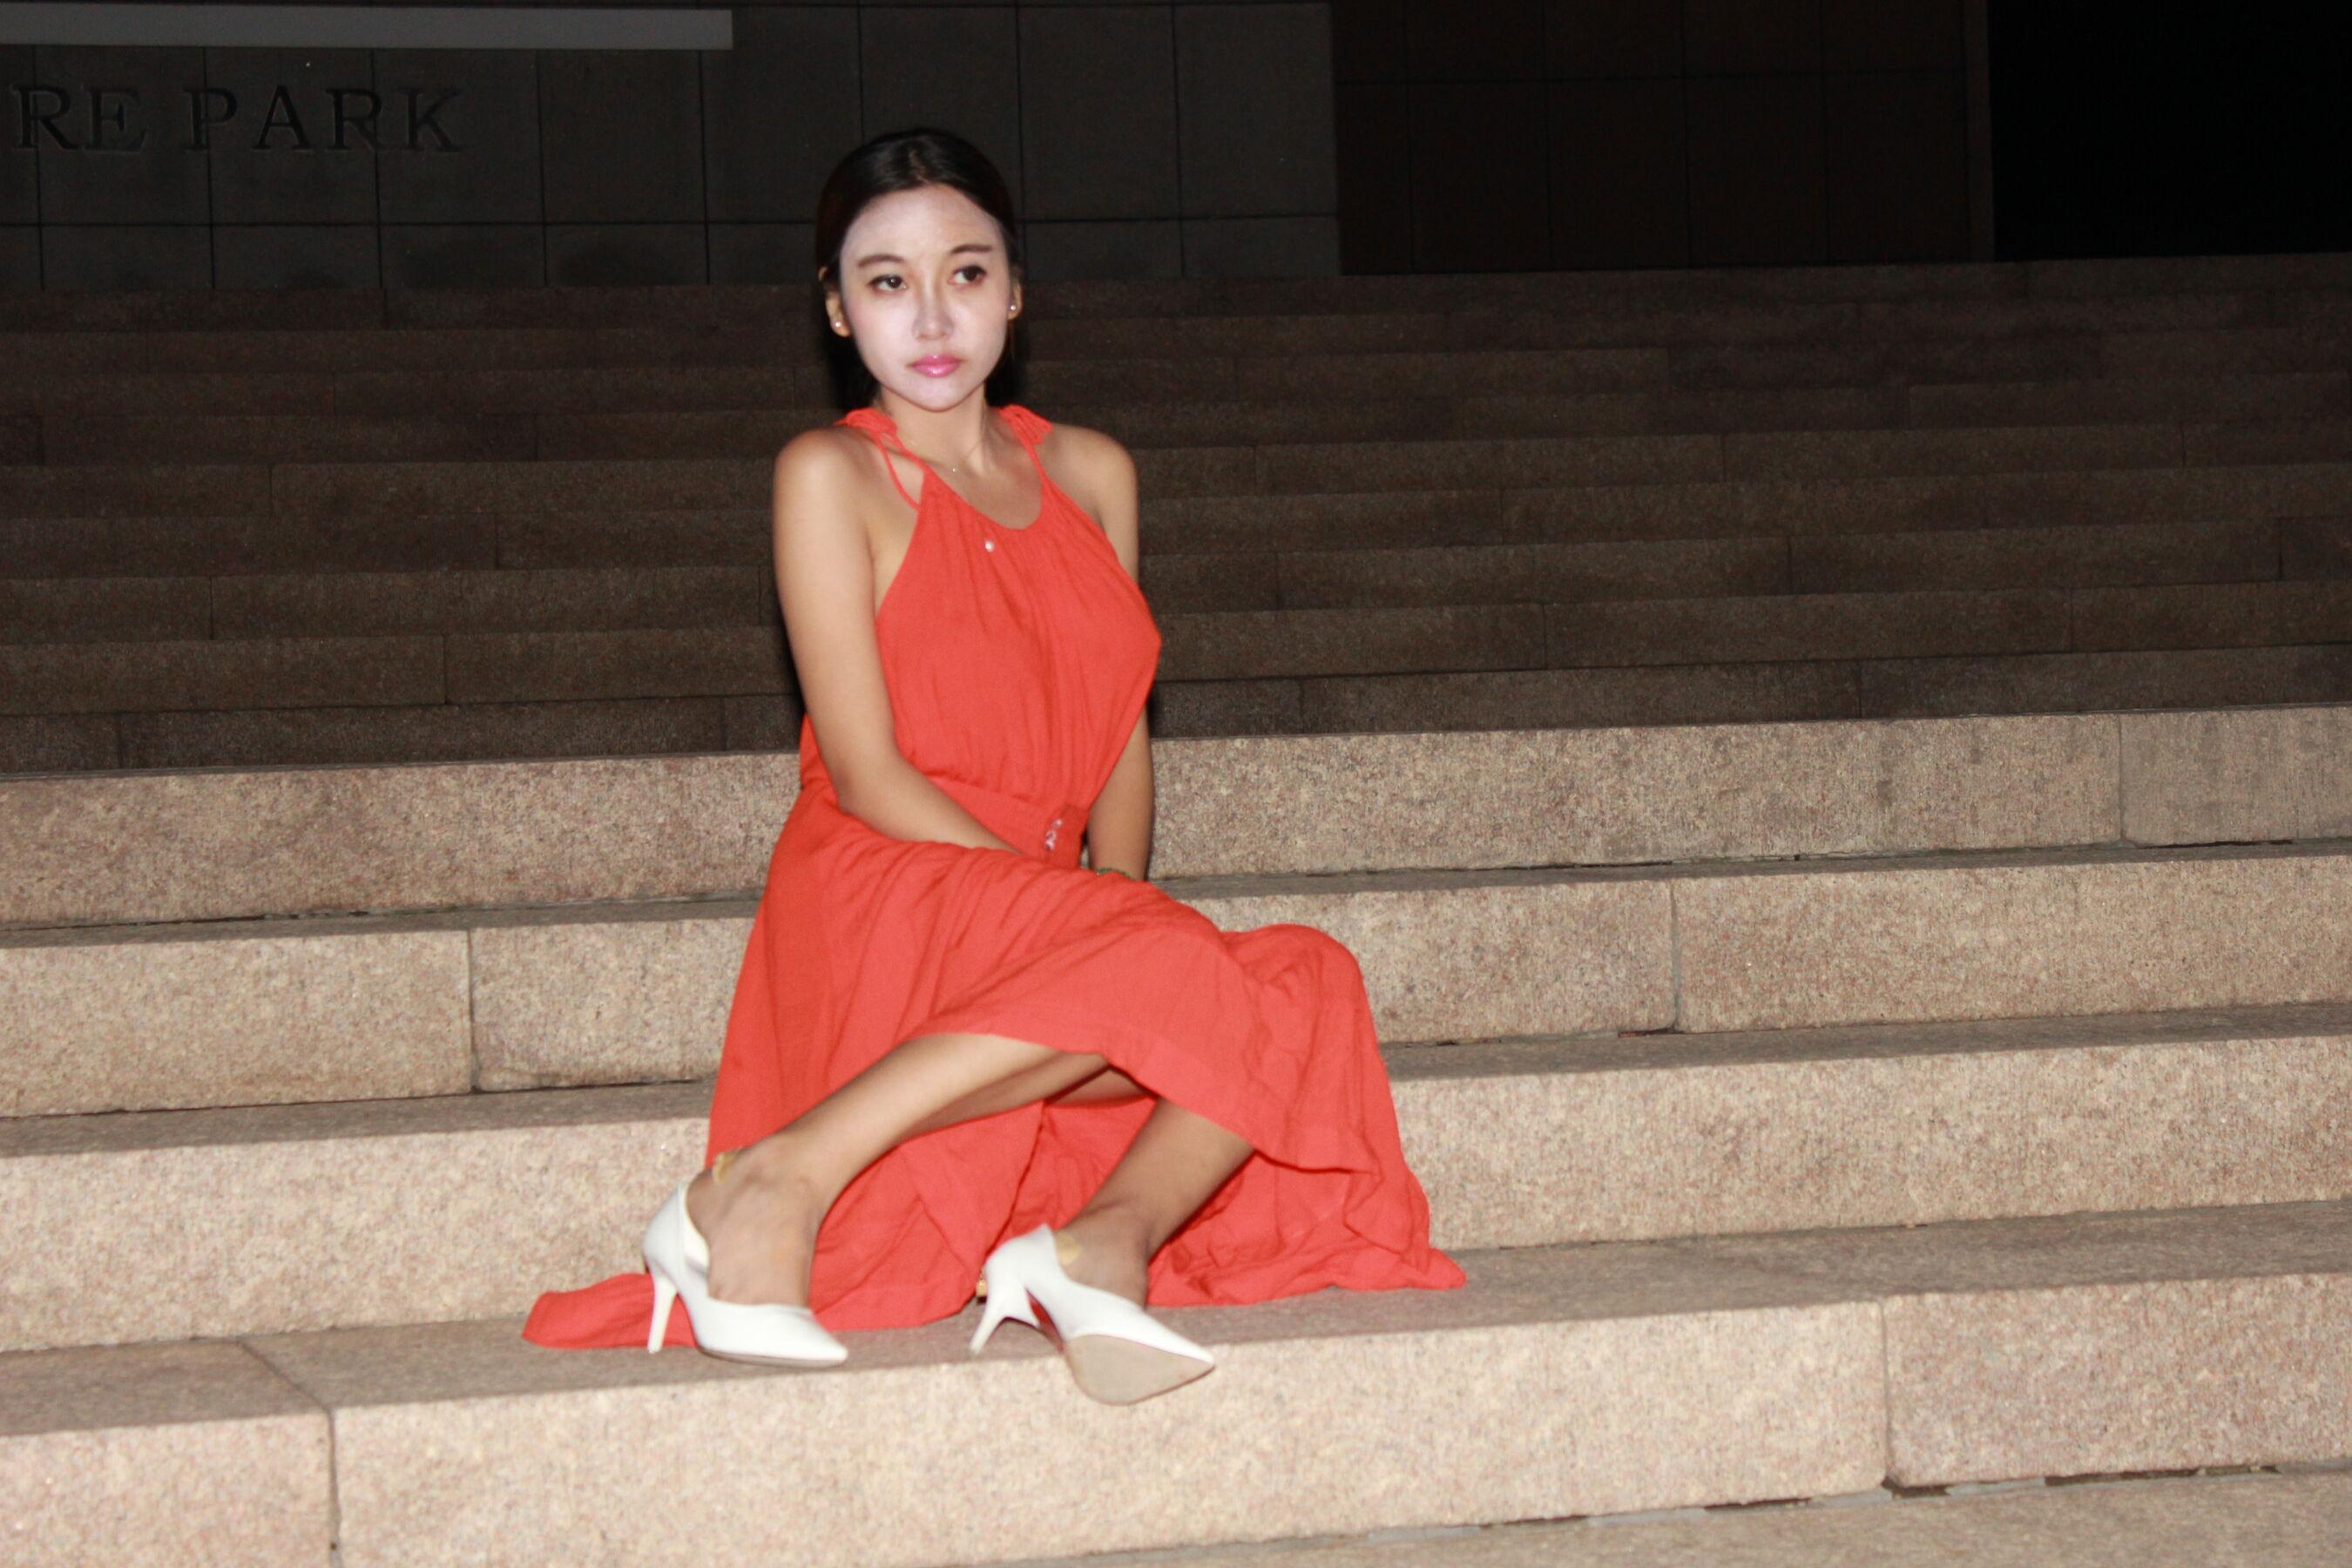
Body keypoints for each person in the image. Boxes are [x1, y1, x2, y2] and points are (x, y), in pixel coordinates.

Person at [523, 125, 1463, 1404]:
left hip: (1044, 896)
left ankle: (1097, 1244)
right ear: (837, 310)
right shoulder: (831, 475)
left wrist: (1110, 899)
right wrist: (1082, 915)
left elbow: (1118, 720)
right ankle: (772, 1180)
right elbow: (865, 770)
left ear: (1015, 292)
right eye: (887, 281)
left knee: (1306, 975)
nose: (932, 316)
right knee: (1173, 959)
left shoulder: (1092, 472)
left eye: (965, 273)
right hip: (891, 875)